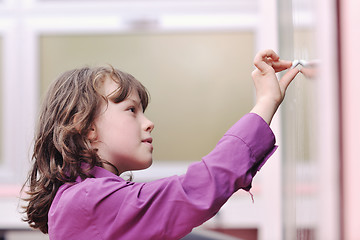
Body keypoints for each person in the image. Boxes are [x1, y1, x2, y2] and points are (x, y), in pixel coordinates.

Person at [22, 49, 300, 239]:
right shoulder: (89, 201)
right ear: (87, 127)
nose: (148, 123)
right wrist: (265, 103)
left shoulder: (84, 198)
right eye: (132, 110)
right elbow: (196, 191)